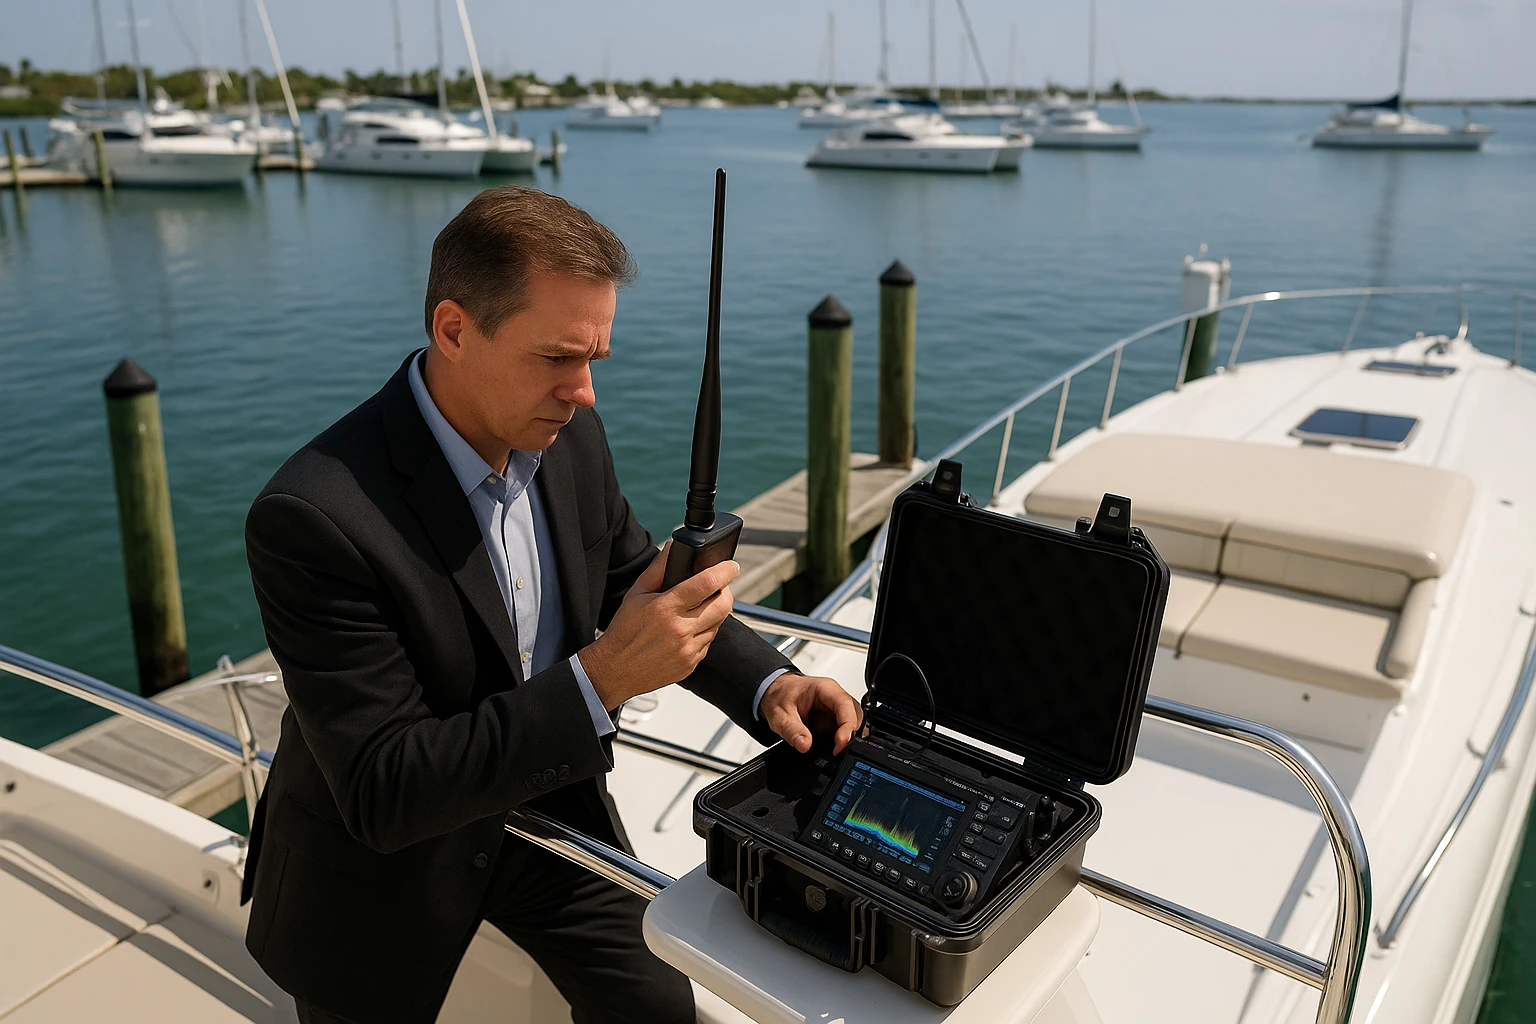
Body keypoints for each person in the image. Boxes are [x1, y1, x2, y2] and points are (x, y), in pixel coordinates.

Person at [241, 185, 862, 1024]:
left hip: (549, 806)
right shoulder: (314, 517)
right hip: (384, 869)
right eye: (557, 357)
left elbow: (631, 576)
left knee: (659, 1010)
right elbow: (385, 789)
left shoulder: (569, 436)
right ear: (455, 330)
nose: (584, 392)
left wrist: (769, 686)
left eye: (594, 359)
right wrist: (600, 681)